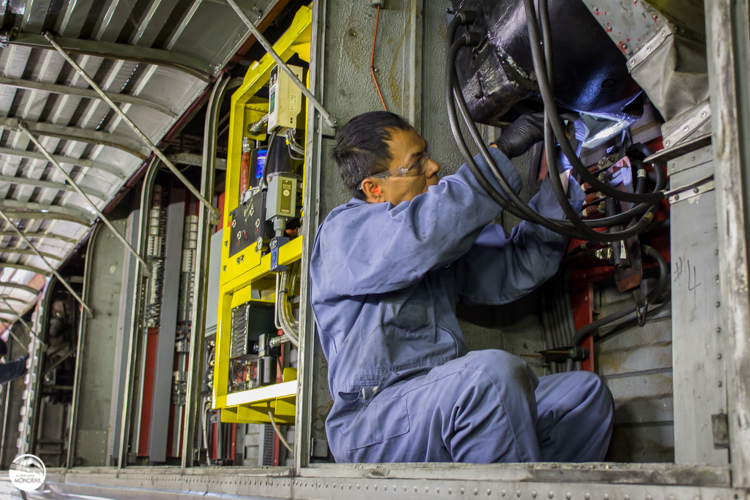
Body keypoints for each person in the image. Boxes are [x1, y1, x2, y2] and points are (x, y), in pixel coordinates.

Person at [310, 111, 614, 464]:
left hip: (441, 398)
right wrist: (501, 151)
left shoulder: (433, 249)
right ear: (374, 189)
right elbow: (425, 234)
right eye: (417, 162)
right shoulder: (343, 235)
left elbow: (520, 265)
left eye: (426, 153)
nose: (433, 166)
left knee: (582, 396)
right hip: (373, 422)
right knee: (489, 379)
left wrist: (563, 180)